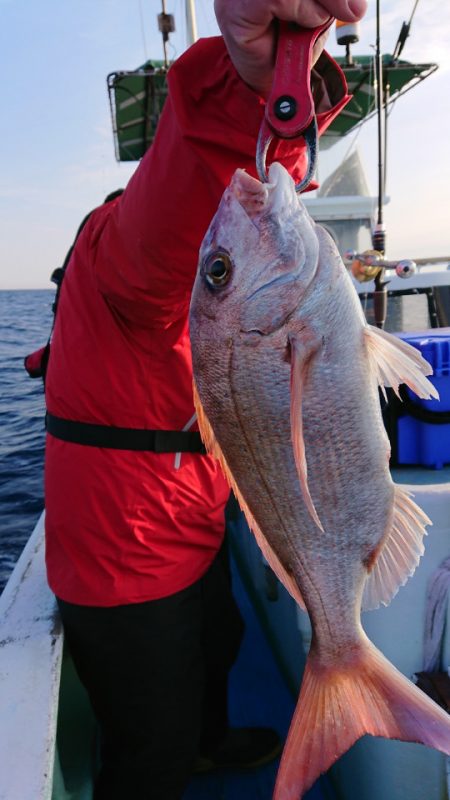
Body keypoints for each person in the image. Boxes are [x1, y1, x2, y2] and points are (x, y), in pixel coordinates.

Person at [43, 0, 367, 798]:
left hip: (191, 519)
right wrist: (246, 79)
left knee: (217, 646)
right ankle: (170, 758)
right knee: (148, 745)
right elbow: (168, 223)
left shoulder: (204, 279)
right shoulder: (118, 258)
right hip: (124, 554)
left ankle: (211, 739)